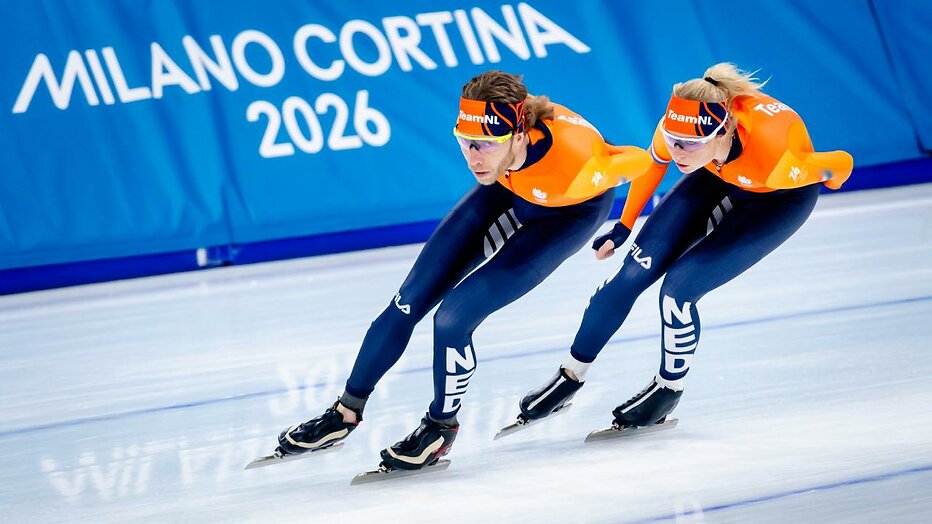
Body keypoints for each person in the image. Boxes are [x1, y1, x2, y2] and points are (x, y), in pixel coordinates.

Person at [275, 70, 656, 470]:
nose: (474, 157)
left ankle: (440, 429)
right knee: (405, 303)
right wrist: (493, 154)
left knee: (453, 318)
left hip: (567, 215)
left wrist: (625, 224)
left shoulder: (576, 160)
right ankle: (345, 413)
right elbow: (489, 155)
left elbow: (641, 161)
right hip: (507, 189)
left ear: (519, 135)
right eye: (465, 142)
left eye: (486, 145)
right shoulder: (497, 157)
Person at [518, 63, 853, 429]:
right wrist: (625, 225)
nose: (678, 151)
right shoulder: (683, 130)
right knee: (630, 276)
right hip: (715, 175)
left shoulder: (775, 157)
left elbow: (841, 164)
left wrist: (824, 174)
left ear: (723, 132)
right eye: (673, 138)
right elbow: (653, 165)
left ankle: (667, 390)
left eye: (689, 143)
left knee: (678, 291)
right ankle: (570, 376)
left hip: (778, 198)